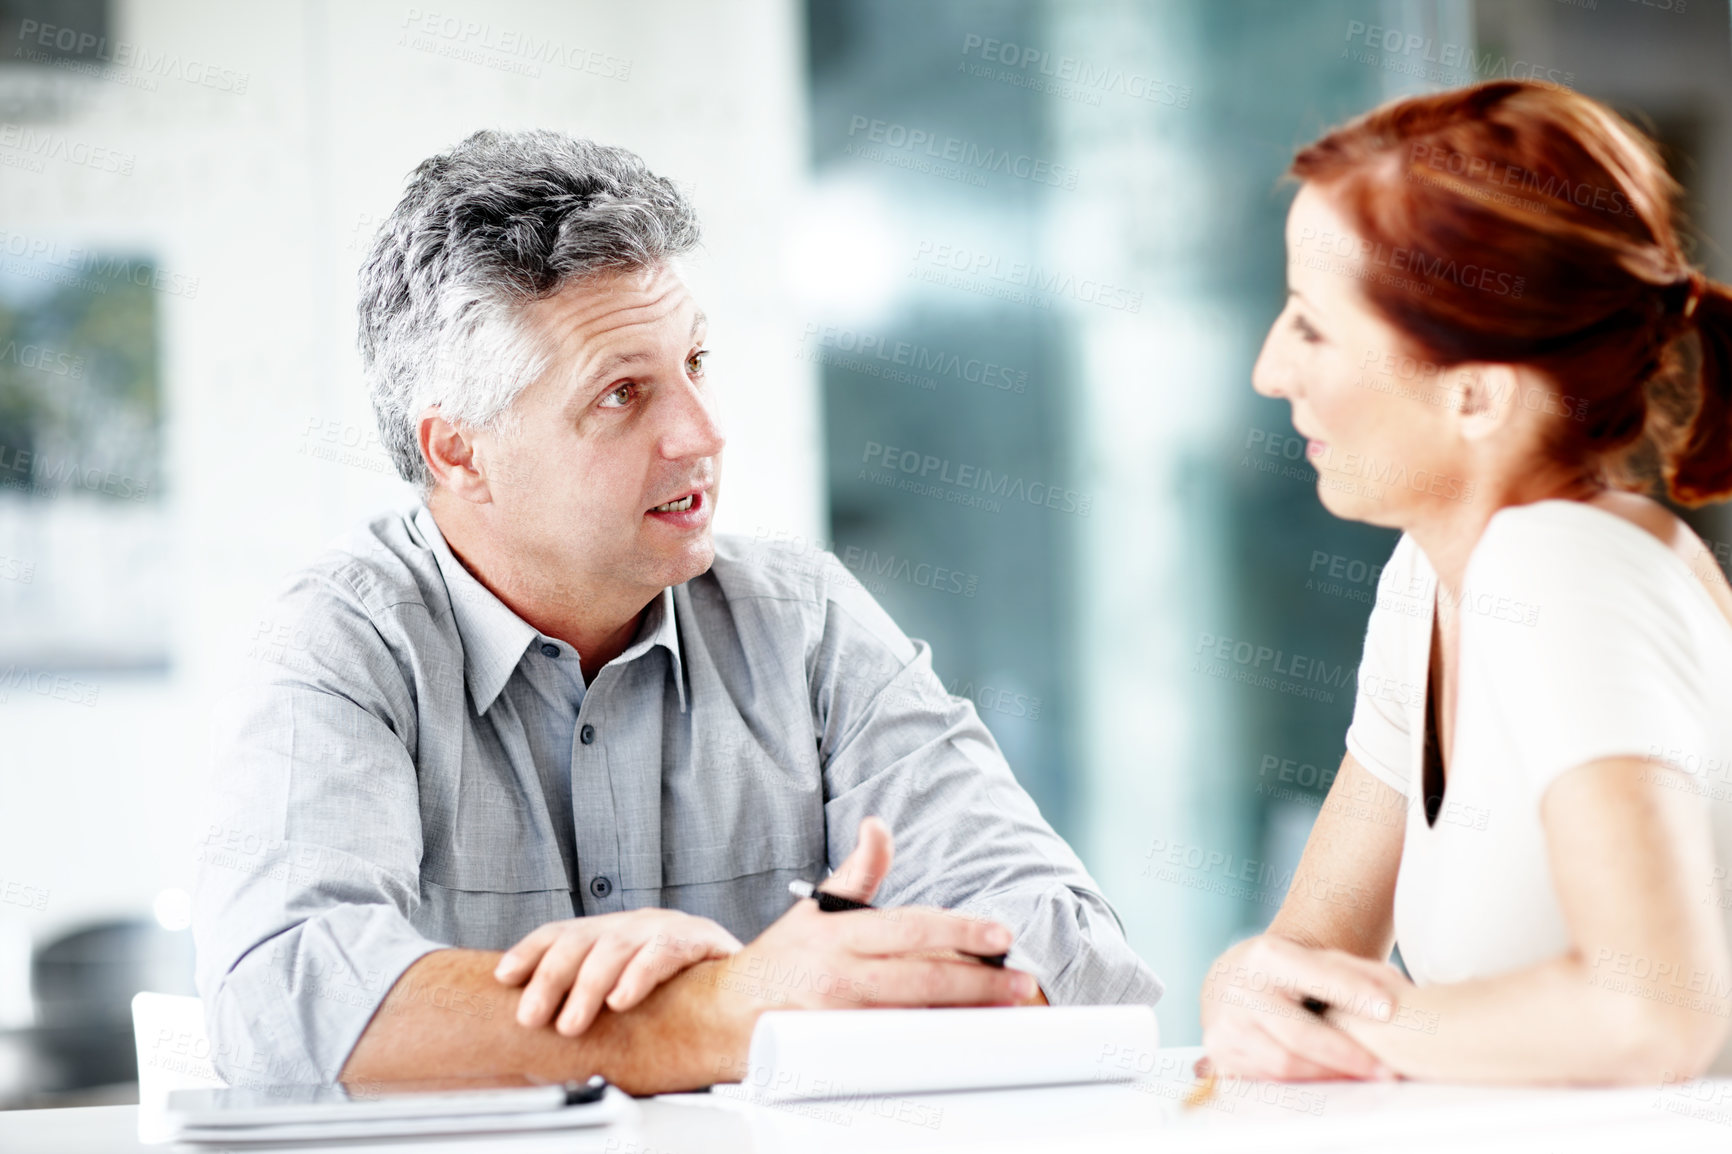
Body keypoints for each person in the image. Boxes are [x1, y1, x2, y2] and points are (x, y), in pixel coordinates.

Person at [192, 130, 1162, 1095]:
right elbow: (282, 1006)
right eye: (622, 393)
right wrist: (710, 1006)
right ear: (459, 452)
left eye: (696, 361)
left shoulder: (803, 620)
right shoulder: (341, 644)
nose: (702, 431)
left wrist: (784, 988)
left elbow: (1073, 959)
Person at [1201, 80, 1732, 1084]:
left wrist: (1347, 1025)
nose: (1271, 369)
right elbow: (1307, 972)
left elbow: (1656, 1014)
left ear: (1476, 392)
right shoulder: (1430, 576)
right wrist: (1255, 990)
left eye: (1312, 326)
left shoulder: (1566, 569)